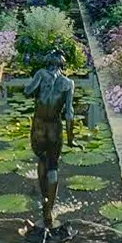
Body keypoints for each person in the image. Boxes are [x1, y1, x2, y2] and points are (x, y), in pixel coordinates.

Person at [25, 51, 77, 233]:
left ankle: (44, 199)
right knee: (53, 166)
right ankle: (49, 210)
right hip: (55, 128)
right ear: (62, 66)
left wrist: (39, 82)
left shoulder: (40, 74)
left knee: (42, 160)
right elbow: (69, 114)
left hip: (38, 126)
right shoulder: (68, 83)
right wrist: (71, 140)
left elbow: (27, 91)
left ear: (47, 63)